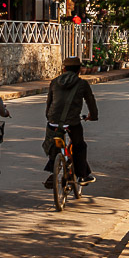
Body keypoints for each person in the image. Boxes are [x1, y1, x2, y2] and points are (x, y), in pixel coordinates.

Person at [43, 56, 98, 188]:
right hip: (72, 123)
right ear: (79, 70)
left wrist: (49, 117)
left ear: (64, 69)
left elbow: (49, 102)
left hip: (53, 122)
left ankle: (53, 167)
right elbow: (90, 102)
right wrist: (93, 116)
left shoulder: (54, 82)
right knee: (79, 146)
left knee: (53, 144)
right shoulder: (82, 84)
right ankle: (82, 175)